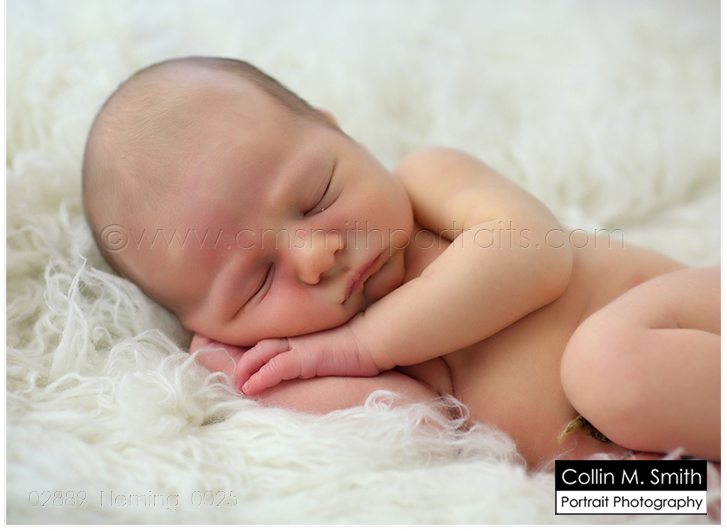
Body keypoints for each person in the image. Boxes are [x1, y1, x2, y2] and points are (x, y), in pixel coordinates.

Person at [82, 56, 720, 468]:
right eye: (257, 281)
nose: (315, 255)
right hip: (655, 451)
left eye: (316, 198)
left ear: (341, 135)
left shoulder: (428, 185)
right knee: (582, 495)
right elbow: (423, 429)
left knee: (604, 365)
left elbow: (536, 253)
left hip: (685, 327)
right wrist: (255, 379)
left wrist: (364, 343)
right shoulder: (347, 357)